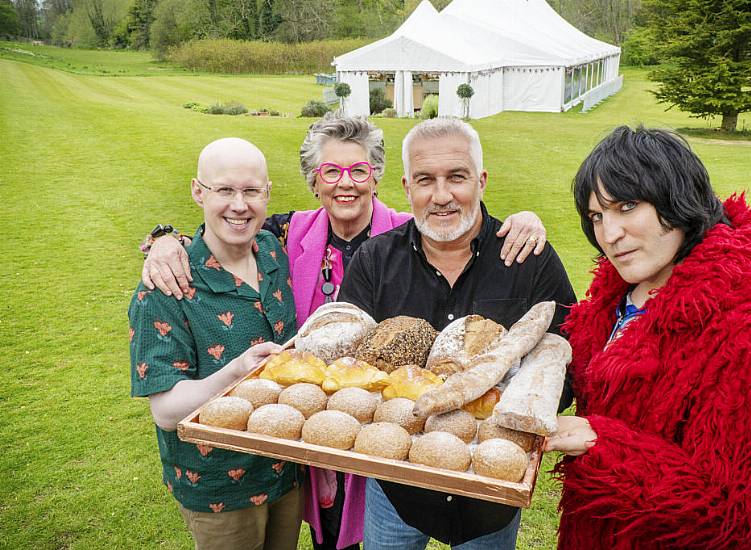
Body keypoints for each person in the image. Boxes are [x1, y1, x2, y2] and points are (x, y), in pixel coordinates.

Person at [140, 114, 550, 550]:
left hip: (387, 429)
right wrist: (166, 239)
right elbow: (228, 221)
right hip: (314, 425)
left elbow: (463, 221)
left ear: (377, 177)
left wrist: (524, 219)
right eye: (330, 171)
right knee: (329, 534)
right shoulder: (284, 234)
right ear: (314, 182)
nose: (345, 183)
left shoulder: (411, 233)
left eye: (358, 170)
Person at [548, 126, 751, 549]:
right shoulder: (613, 298)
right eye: (597, 216)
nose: (609, 234)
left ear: (678, 198)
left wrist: (600, 442)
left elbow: (736, 514)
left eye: (627, 206)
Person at [338, 117, 577, 550]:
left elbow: (567, 363)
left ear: (481, 181)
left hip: (489, 495)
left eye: (457, 177)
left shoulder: (528, 258)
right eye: (426, 180)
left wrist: (511, 404)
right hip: (396, 488)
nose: (442, 196)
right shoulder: (374, 261)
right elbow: (346, 367)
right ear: (407, 186)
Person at [129, 138, 302, 550]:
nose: (239, 205)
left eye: (251, 191)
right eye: (224, 190)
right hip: (219, 488)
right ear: (198, 191)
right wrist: (237, 371)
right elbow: (167, 412)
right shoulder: (166, 287)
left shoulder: (274, 248)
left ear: (268, 193)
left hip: (287, 470)